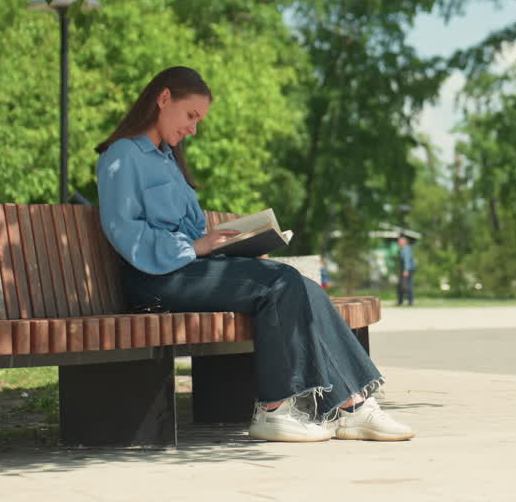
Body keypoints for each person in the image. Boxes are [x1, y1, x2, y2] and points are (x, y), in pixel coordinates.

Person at [95, 66, 413, 443]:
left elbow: (199, 233)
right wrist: (195, 247)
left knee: (300, 283)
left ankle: (353, 406)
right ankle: (274, 410)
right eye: (191, 115)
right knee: (280, 283)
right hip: (154, 279)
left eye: (199, 120)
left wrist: (237, 248)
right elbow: (125, 231)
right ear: (163, 99)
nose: (193, 128)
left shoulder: (168, 161)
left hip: (190, 270)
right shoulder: (122, 156)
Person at [397, 235, 416, 306]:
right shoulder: (404, 249)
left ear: (404, 242)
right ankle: (402, 301)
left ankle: (408, 301)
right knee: (403, 285)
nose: (398, 242)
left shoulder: (406, 250)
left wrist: (406, 270)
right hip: (407, 269)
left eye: (400, 241)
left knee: (407, 286)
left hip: (407, 270)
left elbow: (407, 260)